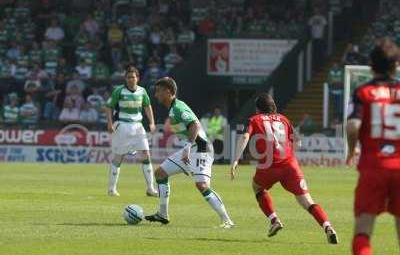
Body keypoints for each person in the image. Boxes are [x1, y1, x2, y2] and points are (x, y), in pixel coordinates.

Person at [230, 93, 338, 243]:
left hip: (268, 166)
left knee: (257, 187)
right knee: (307, 201)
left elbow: (244, 137)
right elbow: (297, 143)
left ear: (258, 108)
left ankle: (274, 220)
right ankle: (328, 227)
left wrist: (236, 159)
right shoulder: (283, 119)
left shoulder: (254, 119)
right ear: (272, 106)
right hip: (289, 166)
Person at [346, 38, 400, 255]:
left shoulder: (363, 92)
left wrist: (351, 149)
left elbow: (353, 126)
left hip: (374, 166)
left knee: (363, 230)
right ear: (396, 65)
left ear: (371, 66)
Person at [145, 77, 234, 228]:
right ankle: (163, 214)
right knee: (160, 173)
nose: (156, 95)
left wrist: (186, 148)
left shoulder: (178, 108)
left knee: (202, 185)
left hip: (201, 149)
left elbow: (195, 125)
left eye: (158, 91)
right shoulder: (173, 109)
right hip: (190, 149)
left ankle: (227, 220)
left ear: (168, 92)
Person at [106, 66, 157, 197]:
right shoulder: (119, 91)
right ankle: (112, 189)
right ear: (125, 78)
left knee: (146, 155)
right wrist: (110, 123)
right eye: (128, 77)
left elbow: (147, 106)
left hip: (138, 127)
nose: (130, 79)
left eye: (133, 77)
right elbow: (109, 107)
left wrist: (151, 122)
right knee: (119, 157)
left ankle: (150, 188)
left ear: (137, 78)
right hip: (123, 126)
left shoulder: (142, 91)